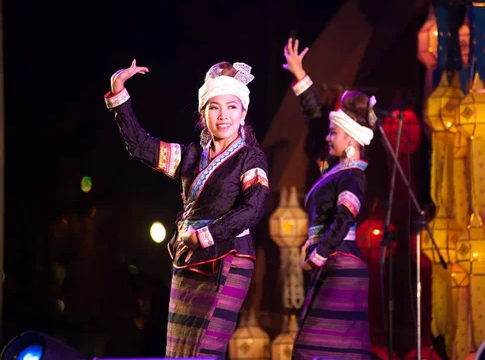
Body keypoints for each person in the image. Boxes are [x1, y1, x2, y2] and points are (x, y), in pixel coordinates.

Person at [104, 59, 270, 358]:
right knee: (179, 350)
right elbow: (141, 147)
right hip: (188, 258)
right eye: (214, 107)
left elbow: (253, 210)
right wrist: (119, 94)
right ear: (202, 113)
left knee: (205, 349)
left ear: (243, 112)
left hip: (228, 256)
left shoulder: (251, 158)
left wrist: (205, 235)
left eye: (232, 107)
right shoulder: (190, 157)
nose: (223, 116)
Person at [282, 38, 375, 360]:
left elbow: (344, 218)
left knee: (312, 350)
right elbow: (317, 120)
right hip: (334, 262)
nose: (328, 136)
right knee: (323, 350)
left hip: (341, 261)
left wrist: (318, 254)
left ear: (351, 138)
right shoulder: (337, 170)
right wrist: (299, 74)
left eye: (335, 133)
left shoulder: (353, 175)